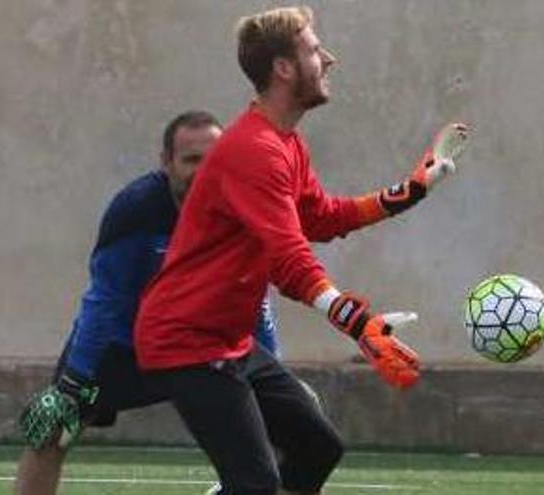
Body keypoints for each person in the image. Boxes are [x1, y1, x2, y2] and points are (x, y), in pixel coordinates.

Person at [134, 6, 469, 495]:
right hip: (185, 340)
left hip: (227, 340)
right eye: (314, 49)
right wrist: (357, 323)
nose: (328, 58)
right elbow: (289, 257)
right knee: (254, 484)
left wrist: (409, 191)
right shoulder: (254, 150)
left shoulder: (285, 144)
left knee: (318, 448)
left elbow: (320, 218)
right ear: (283, 68)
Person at [14, 110, 281, 495]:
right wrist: (75, 381)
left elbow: (256, 298)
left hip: (199, 351)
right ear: (166, 162)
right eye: (191, 160)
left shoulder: (243, 208)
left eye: (214, 159)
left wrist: (273, 370)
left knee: (285, 429)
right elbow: (105, 301)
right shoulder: (136, 210)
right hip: (122, 350)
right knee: (52, 431)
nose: (202, 172)